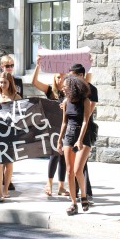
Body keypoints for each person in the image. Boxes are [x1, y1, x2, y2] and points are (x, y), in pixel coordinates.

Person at [32, 56, 68, 197]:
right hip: (52, 128)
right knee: (54, 155)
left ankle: (61, 186)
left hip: (64, 128)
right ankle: (49, 184)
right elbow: (34, 82)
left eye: (63, 77)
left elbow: (86, 82)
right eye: (58, 77)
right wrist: (38, 66)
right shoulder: (50, 91)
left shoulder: (69, 92)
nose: (60, 80)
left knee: (63, 156)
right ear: (54, 78)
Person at [57, 75, 93, 216]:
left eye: (65, 86)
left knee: (78, 169)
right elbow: (64, 122)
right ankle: (73, 203)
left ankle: (83, 195)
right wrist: (59, 139)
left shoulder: (85, 101)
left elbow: (85, 121)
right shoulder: (66, 102)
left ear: (73, 87)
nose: (63, 89)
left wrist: (80, 139)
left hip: (83, 136)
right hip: (69, 135)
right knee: (70, 171)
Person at [0, 72, 22, 202]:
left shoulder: (16, 96)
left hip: (11, 133)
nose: (2, 85)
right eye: (1, 82)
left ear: (10, 83)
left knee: (9, 163)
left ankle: (6, 189)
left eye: (5, 82)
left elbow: (21, 114)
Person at [69, 63, 98, 204]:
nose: (71, 79)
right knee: (75, 166)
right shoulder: (70, 91)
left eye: (73, 76)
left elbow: (88, 113)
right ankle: (76, 194)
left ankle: (86, 193)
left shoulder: (91, 90)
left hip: (86, 129)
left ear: (81, 75)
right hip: (73, 129)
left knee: (81, 165)